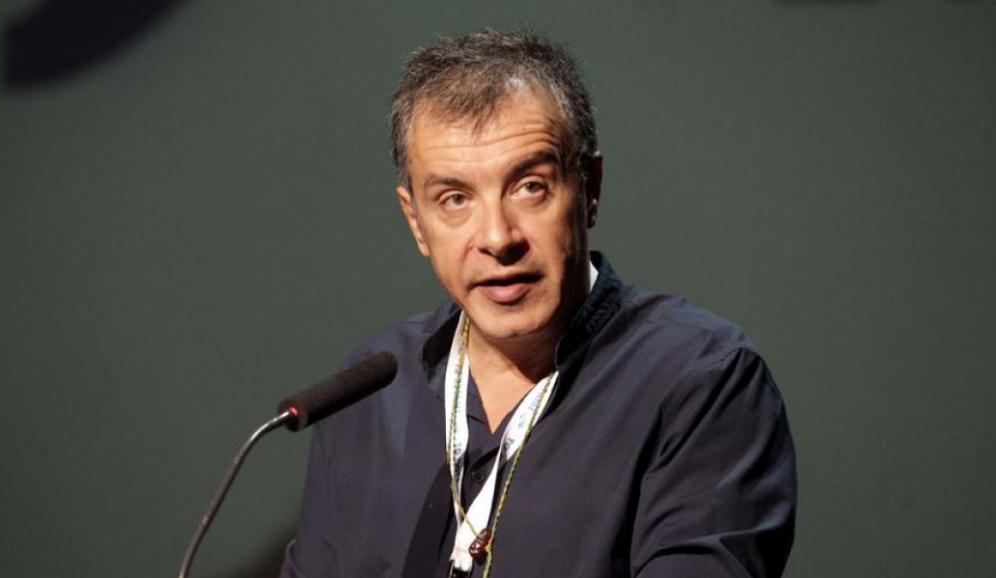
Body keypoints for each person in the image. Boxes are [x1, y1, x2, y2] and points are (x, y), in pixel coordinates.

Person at [280, 29, 796, 578]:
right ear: (416, 222)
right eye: (454, 199)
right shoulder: (372, 395)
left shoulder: (700, 384)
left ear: (589, 188)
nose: (498, 238)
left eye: (530, 186)